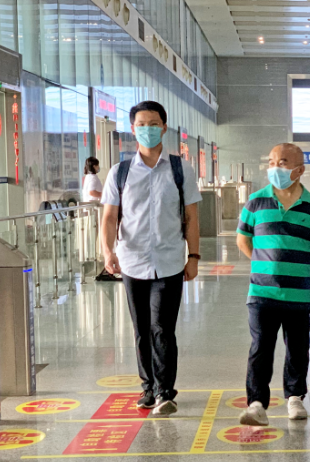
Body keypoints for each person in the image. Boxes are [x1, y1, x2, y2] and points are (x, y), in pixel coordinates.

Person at [101, 101, 202, 416]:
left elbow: (191, 216)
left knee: (162, 328)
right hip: (132, 261)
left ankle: (165, 392)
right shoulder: (120, 172)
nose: (148, 129)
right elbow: (109, 217)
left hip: (169, 261)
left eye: (154, 123)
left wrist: (194, 256)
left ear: (164, 127)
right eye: (142, 124)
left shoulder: (180, 169)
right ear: (133, 129)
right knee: (141, 329)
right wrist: (107, 251)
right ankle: (148, 388)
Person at [236, 143, 310, 427]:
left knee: (298, 348)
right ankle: (256, 404)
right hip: (261, 292)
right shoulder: (256, 202)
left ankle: (295, 397)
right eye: (271, 161)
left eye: (283, 162)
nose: (275, 167)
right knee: (260, 347)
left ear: (299, 170)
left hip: (299, 294)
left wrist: (298, 263)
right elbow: (243, 239)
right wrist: (264, 264)